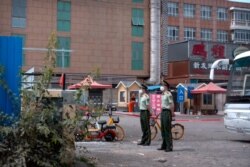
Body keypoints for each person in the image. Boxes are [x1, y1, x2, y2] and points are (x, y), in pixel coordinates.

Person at [157, 80, 175, 152]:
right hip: (163, 112)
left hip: (167, 112)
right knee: (163, 130)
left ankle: (169, 146)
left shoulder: (168, 94)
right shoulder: (163, 94)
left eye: (163, 85)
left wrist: (172, 113)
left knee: (167, 130)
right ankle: (164, 145)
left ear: (166, 87)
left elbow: (171, 104)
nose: (162, 87)